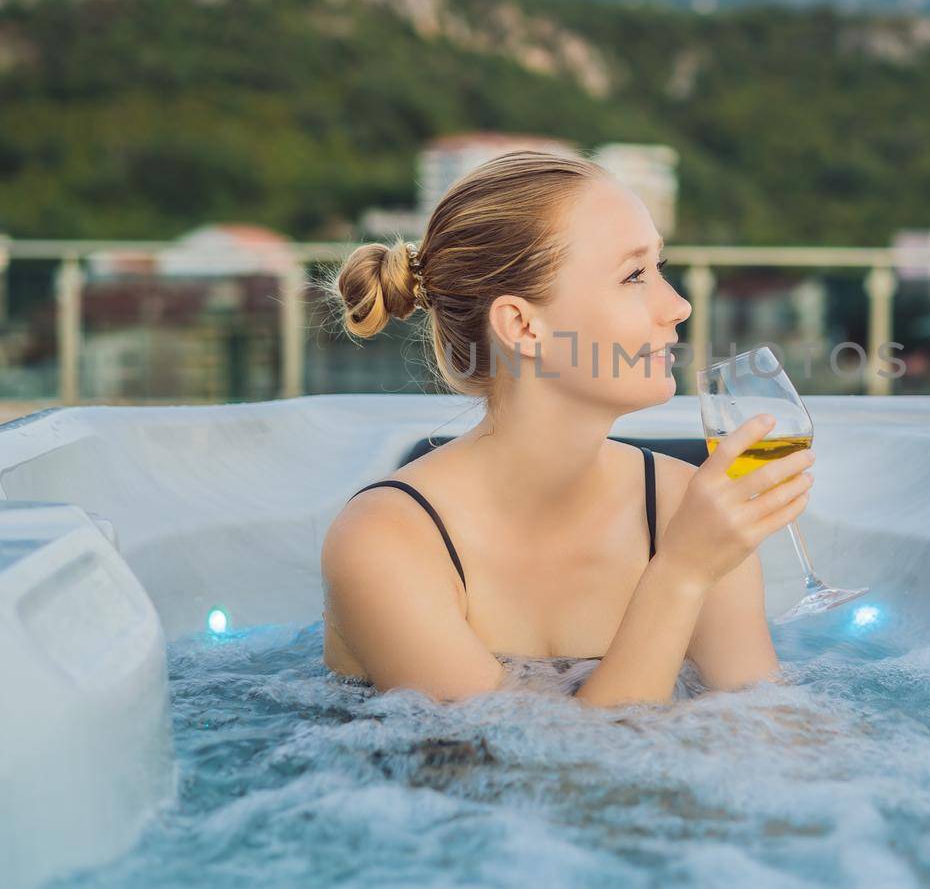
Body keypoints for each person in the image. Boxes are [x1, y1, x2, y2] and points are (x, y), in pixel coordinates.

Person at [318, 150, 817, 707]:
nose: (677, 306)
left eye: (660, 269)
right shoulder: (386, 543)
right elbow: (535, 772)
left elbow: (772, 733)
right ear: (523, 326)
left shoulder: (689, 511)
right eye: (633, 276)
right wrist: (680, 573)